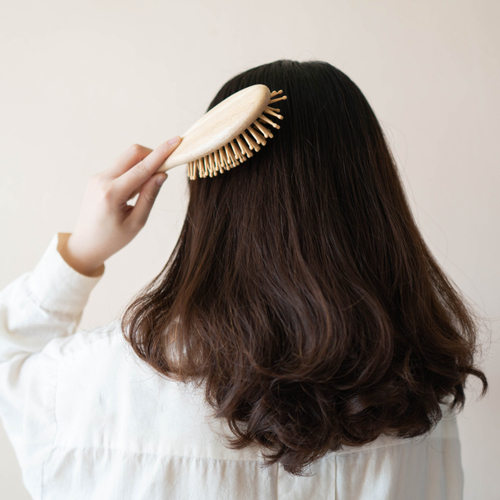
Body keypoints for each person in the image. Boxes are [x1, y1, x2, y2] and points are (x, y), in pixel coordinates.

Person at [0, 59, 488, 500]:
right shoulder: (421, 401)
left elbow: (10, 359)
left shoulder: (93, 388)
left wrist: (80, 254)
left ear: (210, 200)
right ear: (374, 200)